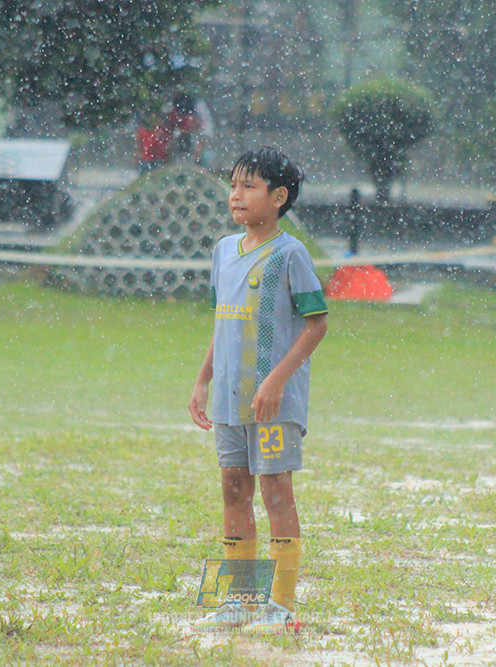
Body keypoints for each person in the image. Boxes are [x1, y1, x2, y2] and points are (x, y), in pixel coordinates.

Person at [189, 147, 328, 632]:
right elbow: (221, 322)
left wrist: (276, 380)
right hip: (229, 397)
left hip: (272, 403)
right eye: (233, 185)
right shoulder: (224, 251)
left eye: (249, 186)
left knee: (275, 492)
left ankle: (281, 608)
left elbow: (316, 324)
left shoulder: (291, 254)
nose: (236, 195)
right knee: (233, 488)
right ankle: (240, 601)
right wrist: (203, 379)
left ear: (279, 196)